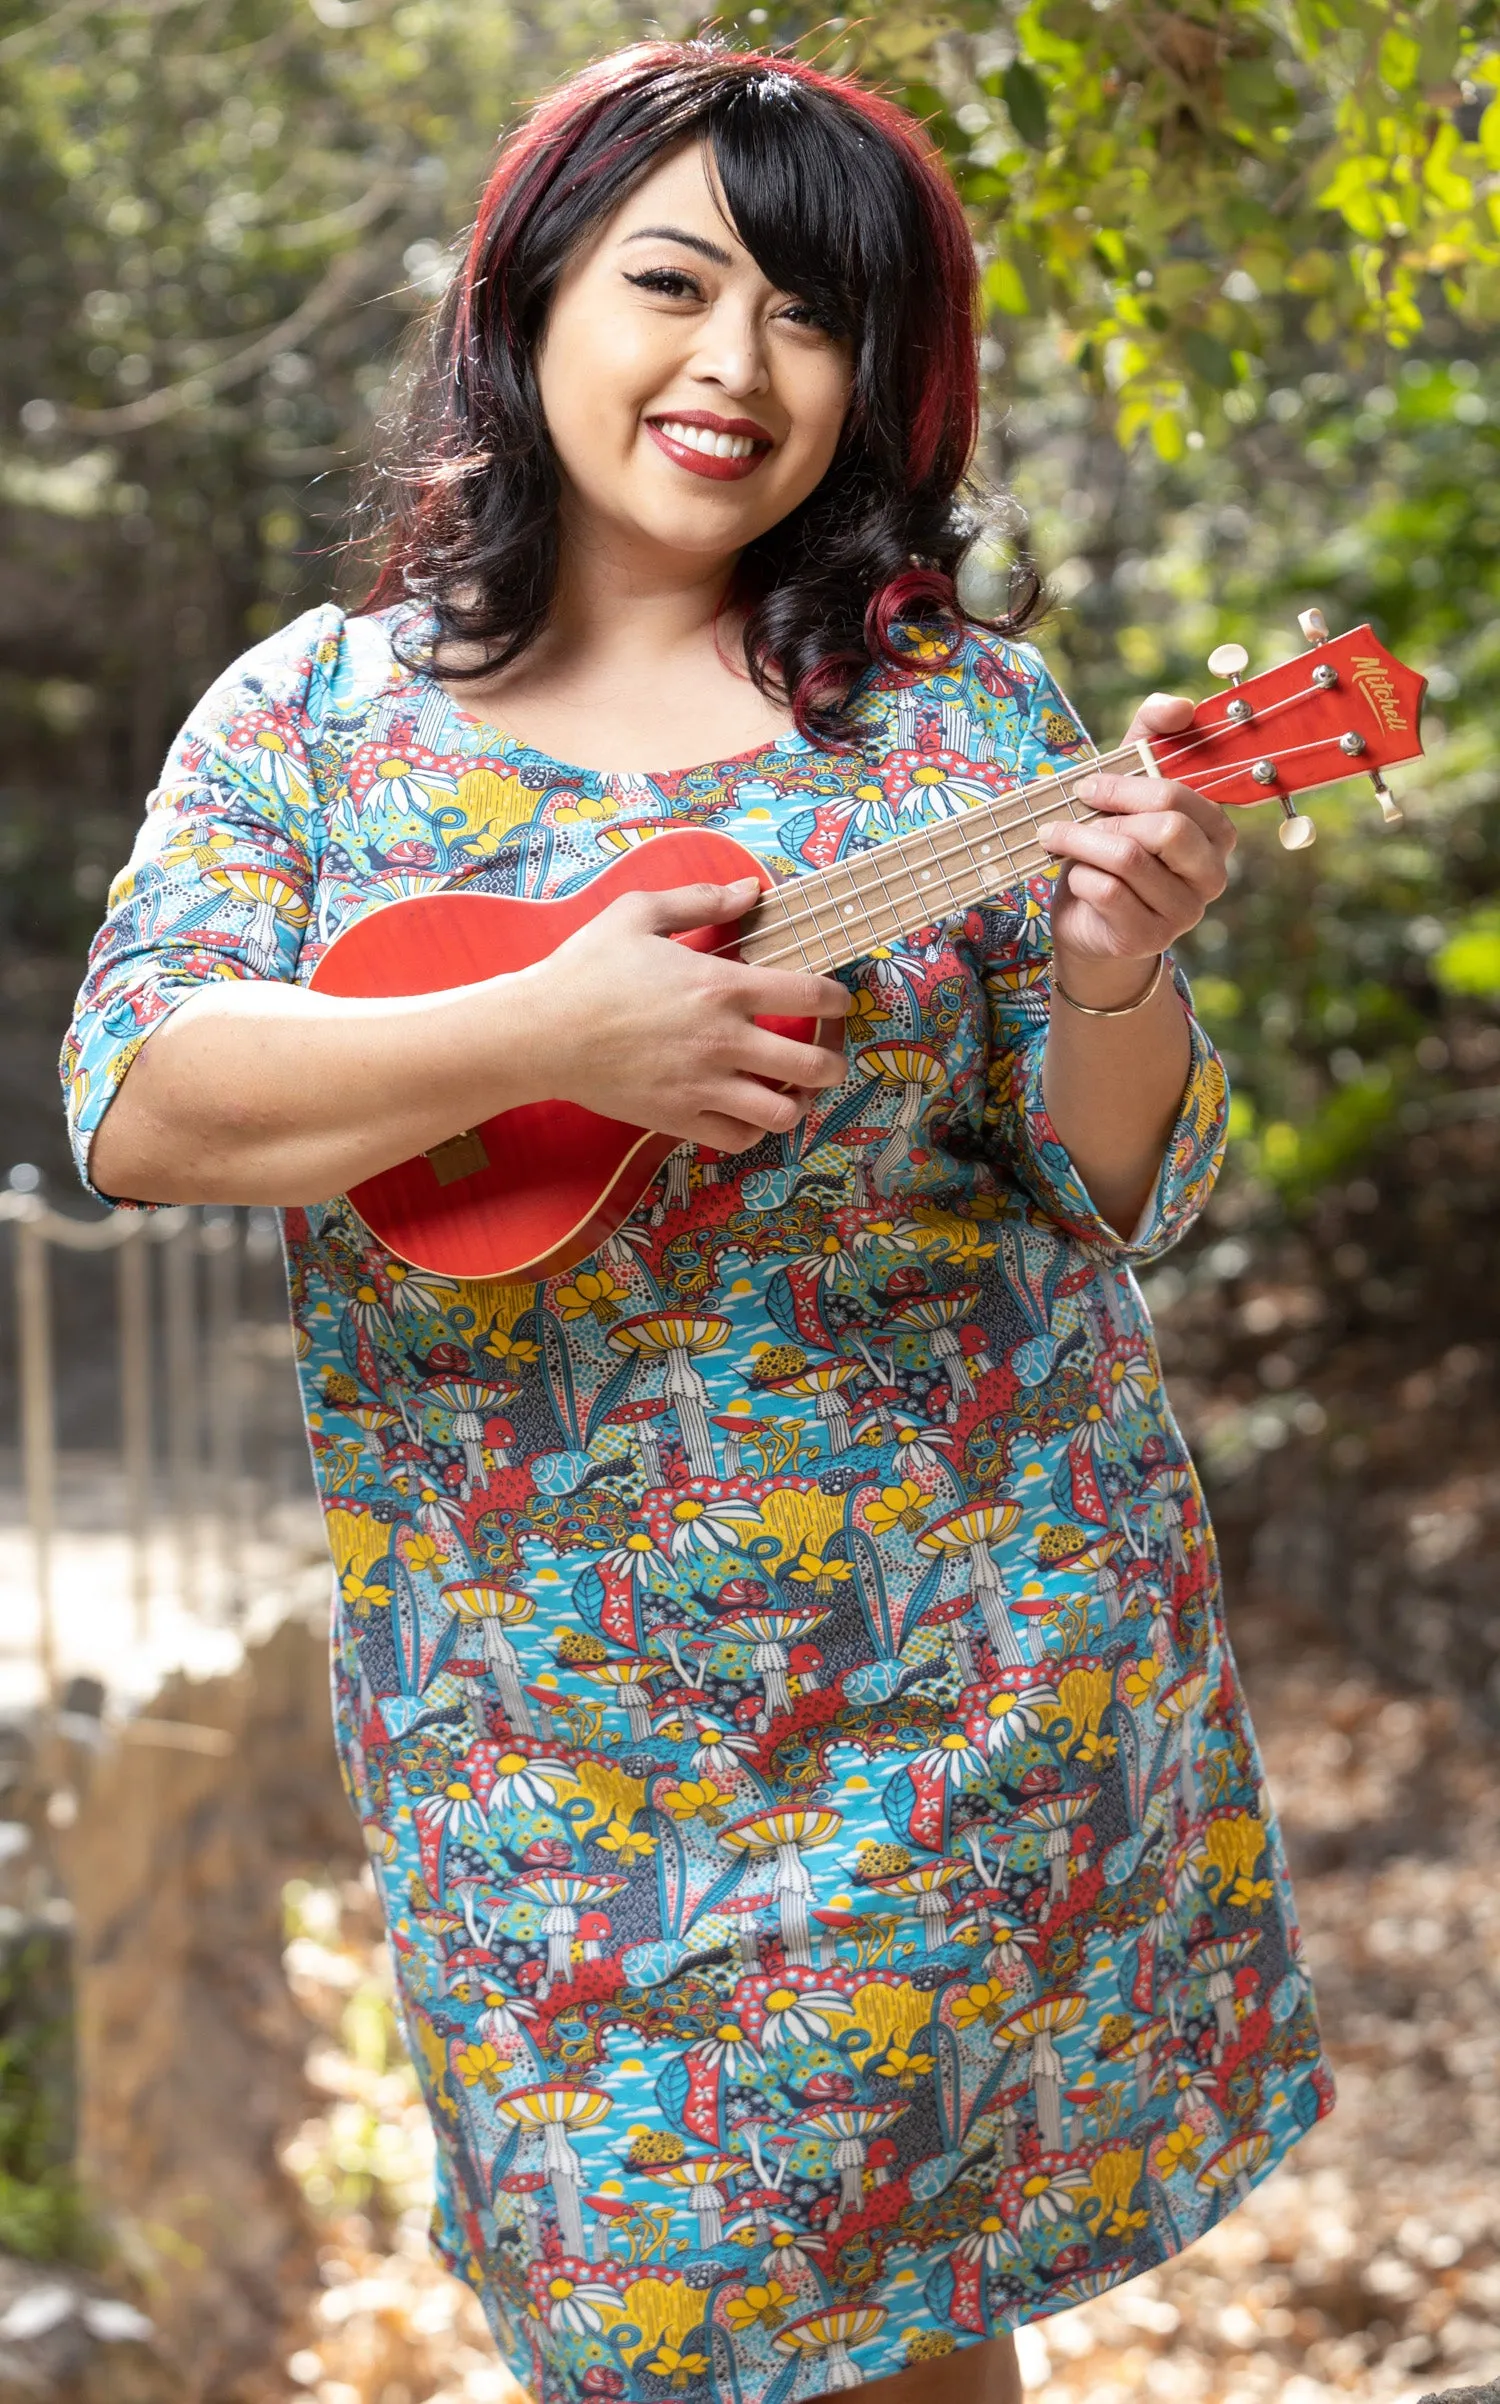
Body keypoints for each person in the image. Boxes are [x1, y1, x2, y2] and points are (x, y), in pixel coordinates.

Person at [62, 40, 1331, 2404]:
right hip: (543, 1730)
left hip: (962, 1672)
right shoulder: (317, 724)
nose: (734, 367)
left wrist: (1117, 966)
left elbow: (1116, 1181)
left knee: (921, 2332)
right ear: (529, 295)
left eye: (815, 317)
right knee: (642, 2330)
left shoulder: (963, 725)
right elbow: (142, 1096)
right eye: (673, 281)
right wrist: (549, 1032)